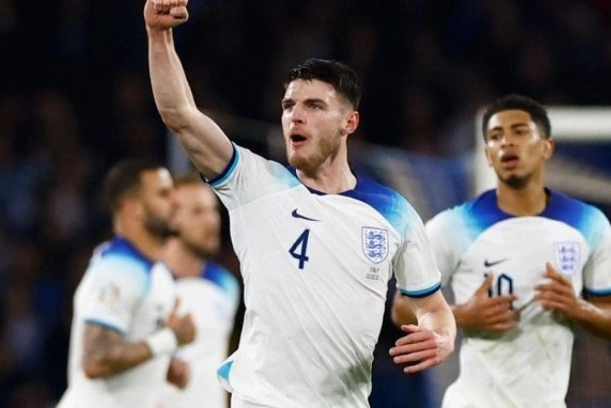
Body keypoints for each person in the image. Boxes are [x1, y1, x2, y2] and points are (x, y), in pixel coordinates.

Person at [143, 1, 457, 406]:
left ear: (349, 123)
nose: (295, 116)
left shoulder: (394, 213)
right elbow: (180, 115)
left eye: (314, 106)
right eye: (289, 106)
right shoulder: (255, 184)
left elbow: (432, 306)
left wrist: (441, 335)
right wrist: (159, 36)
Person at [392, 93, 611, 408]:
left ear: (546, 148)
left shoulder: (589, 223)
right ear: (488, 156)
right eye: (496, 136)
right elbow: (401, 308)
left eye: (519, 132)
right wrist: (462, 315)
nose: (507, 142)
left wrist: (577, 308)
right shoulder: (452, 226)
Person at [57, 159, 197, 408]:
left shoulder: (158, 274)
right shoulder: (116, 272)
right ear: (134, 210)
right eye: (164, 194)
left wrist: (167, 365)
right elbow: (97, 360)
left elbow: (135, 347)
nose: (177, 201)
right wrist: (170, 339)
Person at [158, 172, 241, 408]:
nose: (211, 220)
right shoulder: (149, 281)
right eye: (197, 212)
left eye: (213, 210)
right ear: (173, 218)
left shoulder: (227, 285)